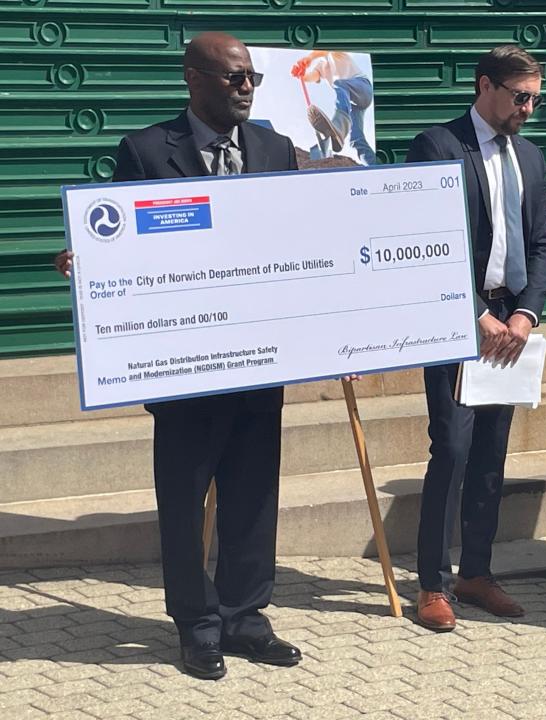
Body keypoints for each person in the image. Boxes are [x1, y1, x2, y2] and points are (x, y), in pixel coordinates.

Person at [55, 32, 301, 681]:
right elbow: (126, 248)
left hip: (259, 360)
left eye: (252, 78)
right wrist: (91, 263)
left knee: (252, 494)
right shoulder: (144, 150)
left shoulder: (277, 150)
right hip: (183, 366)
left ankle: (246, 615)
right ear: (193, 78)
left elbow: (305, 246)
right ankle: (196, 623)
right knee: (184, 498)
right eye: (233, 78)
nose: (246, 87)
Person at [404, 45, 546, 632]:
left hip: (511, 325)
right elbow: (421, 242)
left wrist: (525, 316)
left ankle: (477, 572)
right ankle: (432, 583)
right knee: (455, 450)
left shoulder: (532, 157)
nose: (529, 109)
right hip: (457, 321)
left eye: (536, 99)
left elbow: (540, 245)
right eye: (521, 97)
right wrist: (474, 314)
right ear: (485, 85)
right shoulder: (438, 146)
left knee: (492, 454)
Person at [290, 51, 376, 165]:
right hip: (354, 104)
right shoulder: (321, 65)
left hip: (363, 87)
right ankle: (373, 166)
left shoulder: (335, 53)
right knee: (356, 139)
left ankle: (339, 128)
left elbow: (325, 50)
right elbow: (313, 76)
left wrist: (309, 58)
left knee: (339, 84)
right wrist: (302, 74)